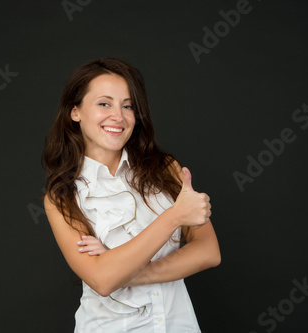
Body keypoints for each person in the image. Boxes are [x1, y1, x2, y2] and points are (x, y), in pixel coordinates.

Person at [41, 57, 220, 332]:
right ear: (74, 111)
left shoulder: (165, 168)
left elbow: (208, 252)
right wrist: (174, 217)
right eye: (104, 104)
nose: (118, 116)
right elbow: (101, 280)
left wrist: (121, 268)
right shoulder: (62, 197)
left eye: (128, 106)